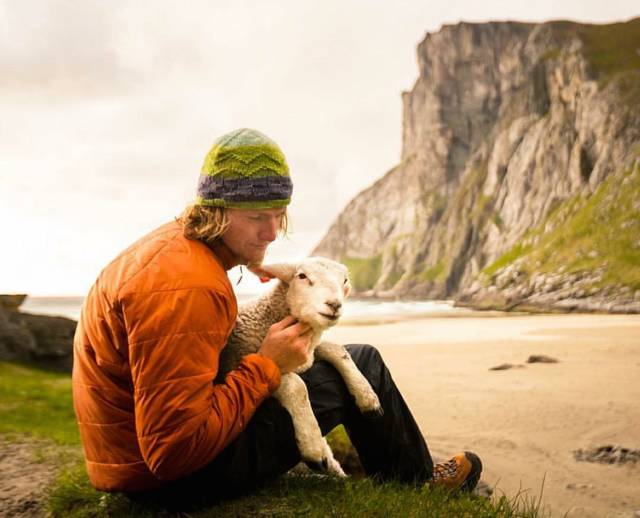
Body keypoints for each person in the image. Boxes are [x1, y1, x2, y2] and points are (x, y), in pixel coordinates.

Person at [72, 128, 482, 509]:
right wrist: (267, 365)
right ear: (216, 209)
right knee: (365, 365)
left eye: (279, 215)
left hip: (131, 466)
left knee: (356, 356)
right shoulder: (189, 287)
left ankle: (409, 477)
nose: (272, 232)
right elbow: (173, 453)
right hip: (173, 482)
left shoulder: (177, 250)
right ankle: (417, 486)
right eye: (256, 217)